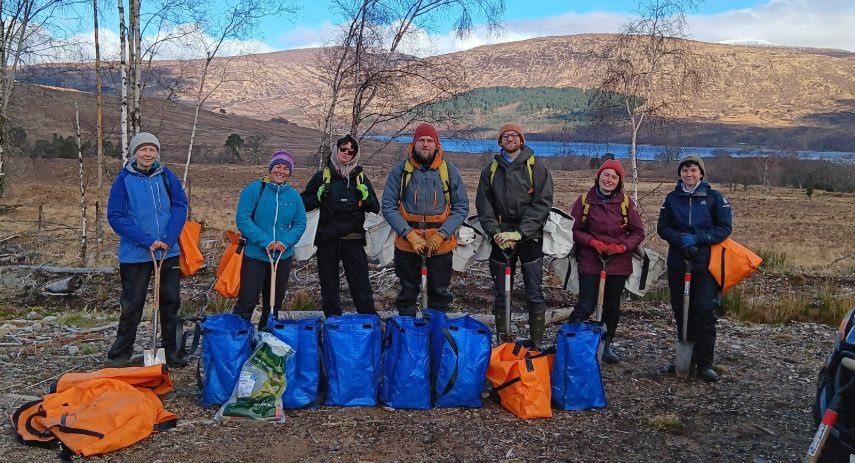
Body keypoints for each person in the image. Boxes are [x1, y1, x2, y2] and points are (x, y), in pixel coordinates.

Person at [106, 132, 188, 368]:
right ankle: (121, 353)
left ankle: (171, 351)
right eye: (143, 149)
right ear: (135, 152)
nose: (148, 154)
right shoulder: (124, 179)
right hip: (136, 253)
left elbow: (180, 206)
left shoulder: (166, 176)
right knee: (132, 303)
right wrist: (146, 240)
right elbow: (116, 216)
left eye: (152, 149)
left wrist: (169, 238)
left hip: (167, 251)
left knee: (170, 301)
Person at [475, 123, 554, 348]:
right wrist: (495, 232)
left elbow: (543, 203)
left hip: (529, 235)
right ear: (500, 142)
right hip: (500, 235)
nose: (510, 139)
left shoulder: (536, 167)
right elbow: (484, 206)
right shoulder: (489, 170)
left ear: (521, 139)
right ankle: (503, 342)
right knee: (501, 292)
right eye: (505, 136)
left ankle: (536, 344)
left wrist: (521, 233)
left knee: (534, 291)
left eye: (514, 135)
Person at [657, 155, 732, 382]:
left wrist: (697, 240)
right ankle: (685, 359)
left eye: (693, 170)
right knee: (682, 312)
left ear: (701, 173)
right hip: (678, 263)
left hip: (705, 264)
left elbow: (724, 228)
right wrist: (681, 240)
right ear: (680, 174)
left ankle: (705, 363)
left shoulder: (714, 198)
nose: (689, 174)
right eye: (685, 170)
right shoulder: (672, 198)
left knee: (703, 312)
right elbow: (663, 227)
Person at [381, 123, 469, 316]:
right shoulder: (400, 171)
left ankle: (435, 338)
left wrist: (442, 235)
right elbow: (388, 206)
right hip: (407, 245)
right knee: (407, 294)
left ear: (437, 145)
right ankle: (410, 339)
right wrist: (409, 235)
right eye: (421, 140)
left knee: (439, 294)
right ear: (414, 144)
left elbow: (461, 207)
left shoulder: (449, 171)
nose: (425, 144)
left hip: (441, 245)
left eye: (430, 141)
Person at [567, 159, 644, 363]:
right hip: (591, 260)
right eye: (606, 175)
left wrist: (623, 247)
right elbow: (573, 230)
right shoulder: (584, 200)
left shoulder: (626, 203)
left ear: (619, 181)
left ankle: (605, 344)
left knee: (612, 306)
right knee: (586, 304)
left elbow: (638, 232)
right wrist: (591, 241)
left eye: (614, 176)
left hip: (618, 263)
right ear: (599, 176)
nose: (609, 179)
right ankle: (571, 341)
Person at [301, 135, 379, 317]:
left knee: (361, 283)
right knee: (329, 284)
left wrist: (366, 197)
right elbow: (303, 203)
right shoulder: (322, 177)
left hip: (353, 239)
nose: (346, 153)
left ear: (355, 154)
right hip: (327, 239)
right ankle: (333, 323)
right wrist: (317, 197)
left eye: (351, 151)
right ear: (336, 150)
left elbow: (375, 207)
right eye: (343, 149)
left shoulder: (360, 178)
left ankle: (368, 322)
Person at [233, 150, 307, 329]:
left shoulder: (294, 196)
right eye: (278, 166)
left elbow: (300, 223)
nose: (281, 171)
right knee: (247, 301)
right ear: (271, 168)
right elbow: (243, 219)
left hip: (282, 257)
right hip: (255, 256)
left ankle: (265, 341)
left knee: (273, 303)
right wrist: (265, 241)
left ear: (290, 172)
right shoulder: (254, 190)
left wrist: (285, 242)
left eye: (285, 168)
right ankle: (238, 340)